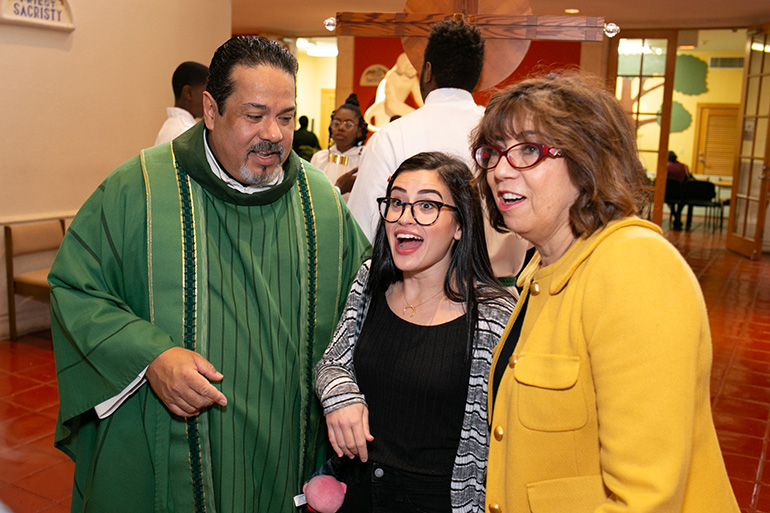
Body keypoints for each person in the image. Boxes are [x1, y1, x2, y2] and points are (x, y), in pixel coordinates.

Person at [49, 36, 370, 513]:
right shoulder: (139, 189)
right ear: (210, 109)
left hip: (288, 449)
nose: (275, 135)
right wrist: (151, 356)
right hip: (170, 440)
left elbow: (364, 304)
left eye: (285, 117)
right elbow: (76, 287)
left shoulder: (320, 202)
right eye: (254, 115)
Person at [472, 72, 740, 512]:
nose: (500, 170)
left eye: (528, 150)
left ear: (587, 159)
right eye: (494, 153)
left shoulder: (634, 266)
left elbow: (645, 497)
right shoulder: (541, 269)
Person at [315, 152, 514, 513]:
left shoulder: (493, 316)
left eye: (427, 206)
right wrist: (341, 397)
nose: (405, 217)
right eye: (397, 202)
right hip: (356, 496)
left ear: (460, 225)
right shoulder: (372, 280)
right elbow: (332, 362)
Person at [347, 20, 528, 283]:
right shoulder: (505, 135)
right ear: (476, 77)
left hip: (414, 300)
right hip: (499, 298)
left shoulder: (391, 137)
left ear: (427, 71)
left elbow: (362, 234)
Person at [311, 94, 368, 198]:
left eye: (348, 125)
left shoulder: (366, 157)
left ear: (359, 130)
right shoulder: (319, 157)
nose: (341, 128)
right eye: (336, 123)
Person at [154, 61, 209, 145]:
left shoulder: (167, 128)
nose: (210, 101)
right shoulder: (188, 133)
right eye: (206, 94)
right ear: (188, 93)